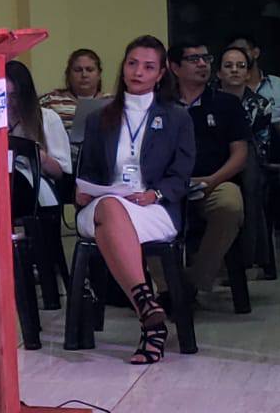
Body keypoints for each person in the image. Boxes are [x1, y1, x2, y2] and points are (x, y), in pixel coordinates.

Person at [75, 35, 194, 364]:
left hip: (153, 207)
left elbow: (180, 175)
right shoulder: (99, 118)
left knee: (110, 220)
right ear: (123, 67)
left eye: (148, 67)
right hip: (103, 203)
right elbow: (88, 172)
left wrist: (155, 194)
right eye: (132, 64)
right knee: (110, 208)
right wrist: (83, 190)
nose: (138, 72)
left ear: (161, 74)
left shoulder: (176, 117)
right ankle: (147, 308)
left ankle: (148, 316)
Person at [169, 40, 249, 295]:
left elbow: (240, 154)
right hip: (169, 185)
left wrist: (212, 180)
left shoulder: (226, 103)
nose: (202, 64)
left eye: (206, 58)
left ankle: (194, 281)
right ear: (175, 68)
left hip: (214, 182)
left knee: (230, 204)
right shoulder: (160, 105)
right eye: (194, 59)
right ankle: (165, 287)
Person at [8, 59, 73, 209]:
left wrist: (40, 157)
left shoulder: (47, 118)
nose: (8, 102)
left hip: (35, 189)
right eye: (3, 95)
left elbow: (62, 174)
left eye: (14, 96)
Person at [218, 45, 274, 163]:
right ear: (219, 73)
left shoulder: (261, 106)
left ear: (248, 74)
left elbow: (261, 151)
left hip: (247, 164)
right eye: (228, 66)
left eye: (241, 66)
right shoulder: (207, 99)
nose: (234, 70)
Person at [40, 48, 108, 131]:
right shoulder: (50, 101)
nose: (84, 75)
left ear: (99, 74)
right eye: (78, 70)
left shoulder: (113, 102)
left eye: (89, 70)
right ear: (68, 74)